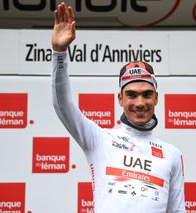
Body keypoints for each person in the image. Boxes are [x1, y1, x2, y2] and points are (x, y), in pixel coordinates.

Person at [51, 2, 185, 212]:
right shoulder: (99, 139)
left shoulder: (172, 154)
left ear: (156, 98)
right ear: (120, 99)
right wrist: (59, 54)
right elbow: (63, 105)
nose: (140, 103)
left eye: (147, 94)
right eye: (131, 95)